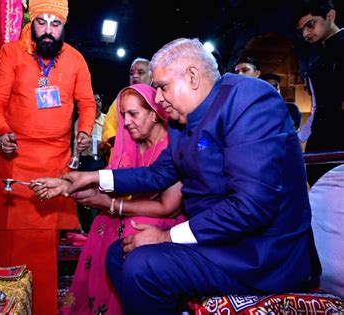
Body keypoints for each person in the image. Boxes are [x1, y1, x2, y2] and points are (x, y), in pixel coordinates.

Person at [55, 38, 319, 314]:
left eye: (162, 87)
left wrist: (166, 237)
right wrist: (93, 178)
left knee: (141, 266)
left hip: (258, 254)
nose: (157, 98)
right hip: (217, 242)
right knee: (118, 254)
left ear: (192, 76)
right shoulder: (182, 122)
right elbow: (156, 174)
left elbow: (251, 206)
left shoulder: (249, 101)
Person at [0, 0, 96, 313]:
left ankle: (41, 307)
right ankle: (5, 305)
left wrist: (83, 131)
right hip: (16, 157)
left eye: (55, 24)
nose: (48, 30)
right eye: (41, 22)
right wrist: (3, 132)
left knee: (44, 245)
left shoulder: (75, 59)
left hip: (55, 161)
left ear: (63, 26)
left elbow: (87, 104)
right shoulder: (12, 54)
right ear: (32, 21)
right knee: (11, 241)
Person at [31, 84, 185, 315]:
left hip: (165, 218)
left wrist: (112, 205)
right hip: (134, 209)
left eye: (134, 114)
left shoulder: (172, 148)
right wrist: (66, 186)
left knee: (127, 226)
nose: (127, 122)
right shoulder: (131, 145)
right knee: (103, 222)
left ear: (154, 114)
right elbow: (114, 183)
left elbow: (168, 208)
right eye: (123, 115)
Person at [295, 0, 344, 185]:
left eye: (310, 24)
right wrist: (297, 138)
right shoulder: (315, 61)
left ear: (330, 16)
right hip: (319, 149)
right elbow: (317, 107)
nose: (306, 33)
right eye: (301, 30)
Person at [102, 58, 152, 151]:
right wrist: (130, 148)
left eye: (141, 72)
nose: (135, 76)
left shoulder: (158, 99)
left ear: (151, 77)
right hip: (123, 158)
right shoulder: (120, 99)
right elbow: (109, 131)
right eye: (132, 73)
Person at [75, 92, 108, 232]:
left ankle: (101, 229)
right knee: (85, 197)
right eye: (93, 101)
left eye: (98, 100)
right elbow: (75, 144)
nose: (97, 103)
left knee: (102, 196)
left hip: (102, 162)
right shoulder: (80, 121)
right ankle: (86, 229)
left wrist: (98, 144)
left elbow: (110, 142)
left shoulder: (107, 120)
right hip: (86, 162)